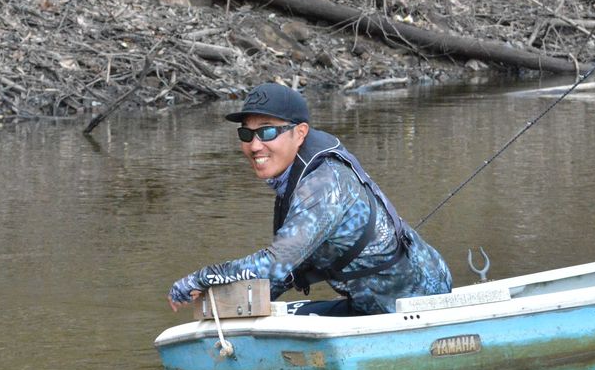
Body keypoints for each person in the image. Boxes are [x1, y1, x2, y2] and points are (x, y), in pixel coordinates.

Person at [166, 83, 452, 315]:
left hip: (417, 302)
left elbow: (276, 264)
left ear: (300, 133)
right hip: (369, 304)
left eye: (267, 132)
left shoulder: (323, 185)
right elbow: (283, 274)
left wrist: (202, 278)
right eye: (246, 133)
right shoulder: (292, 181)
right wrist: (231, 304)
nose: (254, 145)